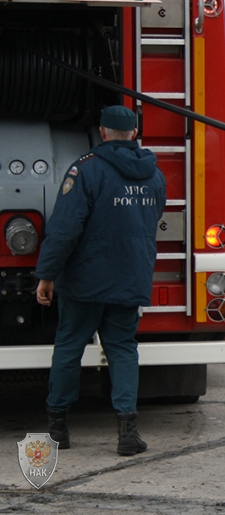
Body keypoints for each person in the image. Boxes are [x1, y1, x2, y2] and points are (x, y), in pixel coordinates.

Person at [35, 105, 166, 457]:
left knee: (70, 347)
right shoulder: (154, 176)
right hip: (129, 278)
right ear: (134, 134)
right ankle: (127, 432)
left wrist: (47, 274)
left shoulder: (86, 170)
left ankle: (58, 428)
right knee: (122, 349)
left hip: (85, 281)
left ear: (103, 132)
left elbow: (64, 229)